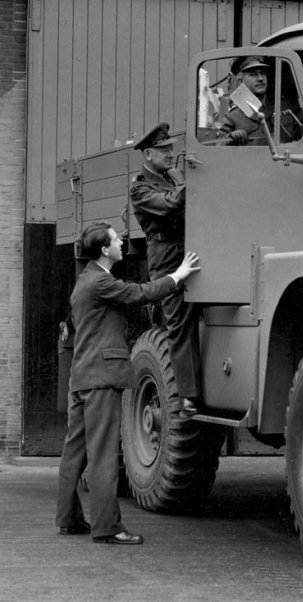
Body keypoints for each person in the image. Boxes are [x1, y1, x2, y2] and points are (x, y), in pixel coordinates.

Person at [55, 222, 200, 545]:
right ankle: (107, 527)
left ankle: (68, 518)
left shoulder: (84, 281)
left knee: (75, 451)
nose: (122, 241)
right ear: (105, 250)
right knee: (104, 454)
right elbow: (140, 293)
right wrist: (178, 276)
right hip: (102, 378)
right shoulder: (101, 283)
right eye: (116, 238)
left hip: (83, 376)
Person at [129, 122, 202, 417]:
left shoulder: (171, 174)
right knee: (179, 322)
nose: (170, 153)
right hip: (166, 254)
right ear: (147, 154)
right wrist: (192, 179)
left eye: (171, 148)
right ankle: (188, 397)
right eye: (164, 150)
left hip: (187, 246)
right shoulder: (139, 188)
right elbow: (170, 204)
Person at [218, 55, 274, 146]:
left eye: (263, 73)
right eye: (253, 74)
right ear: (241, 80)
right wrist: (231, 138)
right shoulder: (234, 116)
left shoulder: (282, 104)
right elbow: (219, 145)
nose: (260, 78)